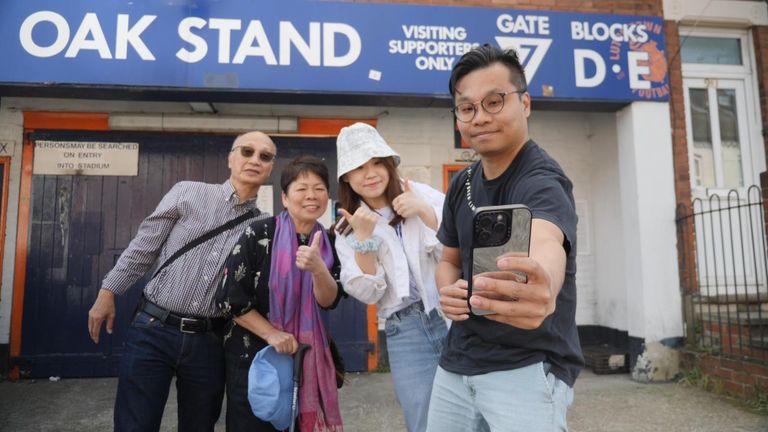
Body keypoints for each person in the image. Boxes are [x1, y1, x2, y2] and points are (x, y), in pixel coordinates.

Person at [426, 45, 583, 432]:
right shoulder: (460, 184)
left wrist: (543, 283)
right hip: (455, 365)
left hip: (526, 369)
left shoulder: (542, 180)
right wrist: (448, 292)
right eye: (467, 108)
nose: (480, 117)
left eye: (494, 102)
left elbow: (548, 242)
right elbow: (448, 259)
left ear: (525, 103)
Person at [87, 131, 277, 431]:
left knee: (199, 426)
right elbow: (144, 246)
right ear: (231, 158)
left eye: (264, 156)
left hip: (210, 342)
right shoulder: (187, 192)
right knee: (134, 424)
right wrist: (108, 290)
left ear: (270, 168)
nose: (255, 160)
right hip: (153, 330)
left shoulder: (264, 226)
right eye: (247, 151)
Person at [334, 122, 447, 432]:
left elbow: (460, 246)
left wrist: (424, 211)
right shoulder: (347, 227)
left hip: (451, 314)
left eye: (376, 163)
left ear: (389, 164)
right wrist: (364, 240)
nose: (369, 173)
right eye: (358, 167)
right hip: (404, 329)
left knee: (474, 411)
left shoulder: (419, 193)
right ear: (346, 177)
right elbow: (367, 293)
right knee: (422, 417)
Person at [217, 155, 344, 432]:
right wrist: (273, 334)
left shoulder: (329, 242)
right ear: (285, 198)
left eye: (319, 188)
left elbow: (329, 300)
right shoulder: (260, 233)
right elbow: (230, 298)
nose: (311, 195)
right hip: (256, 359)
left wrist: (318, 268)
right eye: (302, 188)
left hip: (305, 361)